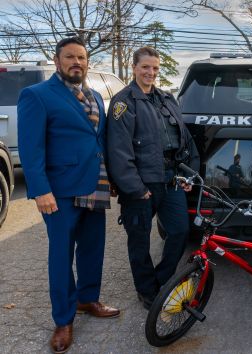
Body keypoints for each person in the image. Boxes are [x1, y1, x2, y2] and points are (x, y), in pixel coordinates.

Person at [17, 37, 120, 354]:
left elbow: (98, 140)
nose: (77, 62)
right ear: (57, 60)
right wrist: (40, 189)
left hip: (95, 184)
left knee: (93, 248)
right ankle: (63, 319)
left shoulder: (94, 96)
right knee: (61, 256)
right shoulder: (37, 95)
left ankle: (88, 300)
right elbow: (30, 147)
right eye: (70, 57)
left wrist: (111, 178)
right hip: (59, 190)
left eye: (82, 57)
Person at [107, 47, 200, 310]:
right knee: (139, 240)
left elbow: (186, 141)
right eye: (145, 67)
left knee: (180, 231)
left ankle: (161, 280)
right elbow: (118, 150)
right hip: (140, 186)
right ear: (134, 67)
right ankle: (146, 290)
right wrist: (135, 188)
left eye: (155, 68)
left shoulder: (167, 99)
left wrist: (187, 175)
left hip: (171, 180)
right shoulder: (123, 102)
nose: (151, 72)